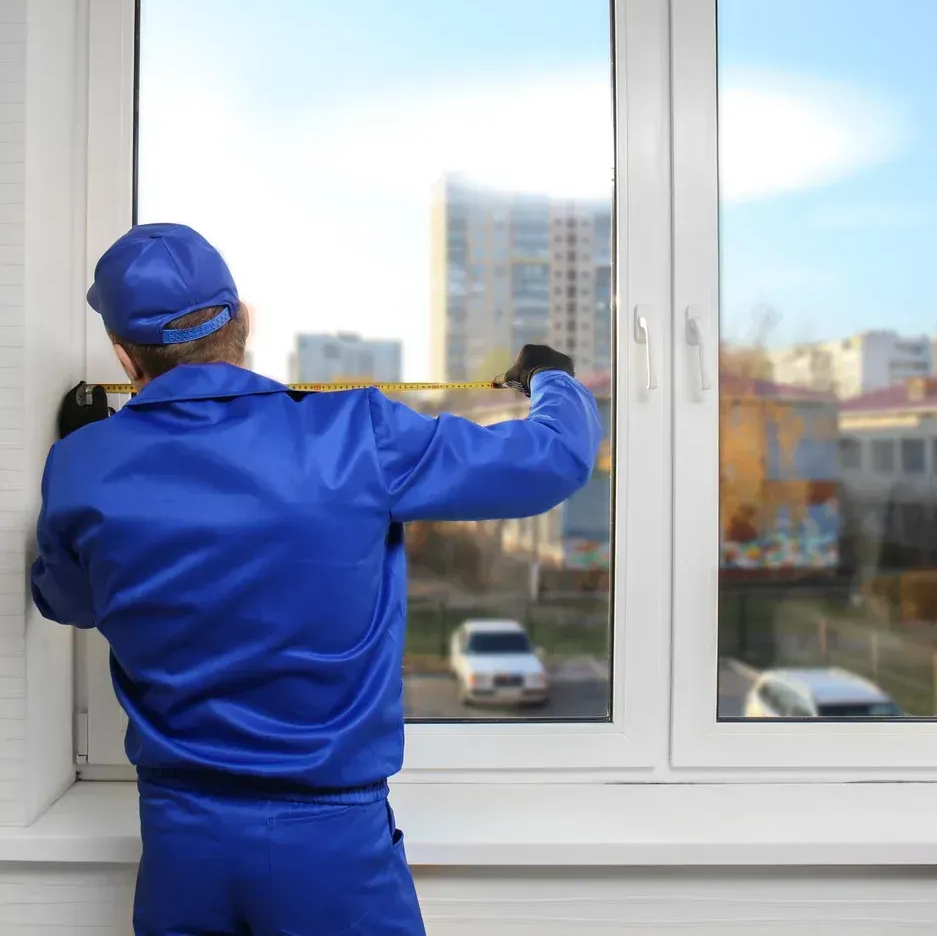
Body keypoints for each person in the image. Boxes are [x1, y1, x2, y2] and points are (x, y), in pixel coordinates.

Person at [31, 222, 602, 936]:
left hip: (181, 844)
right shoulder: (353, 431)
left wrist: (85, 452)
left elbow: (66, 599)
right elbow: (552, 459)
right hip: (330, 845)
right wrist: (552, 378)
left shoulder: (84, 464)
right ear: (243, 321)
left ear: (124, 354)